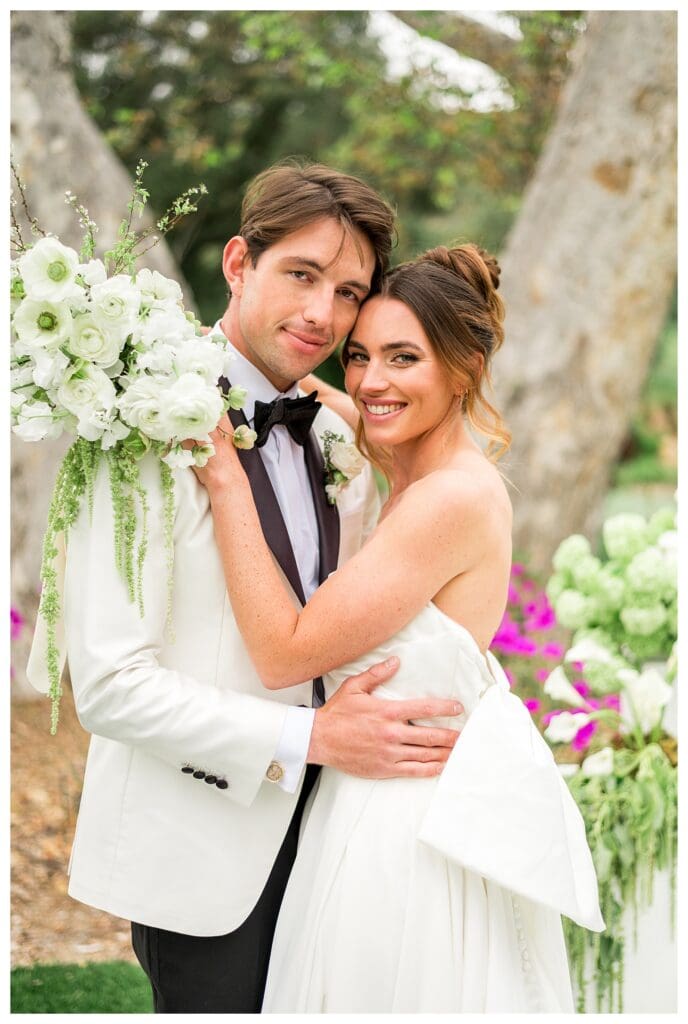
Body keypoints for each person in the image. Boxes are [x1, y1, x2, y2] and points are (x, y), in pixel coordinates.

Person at [39, 163, 466, 1013]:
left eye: (348, 292)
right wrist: (310, 741)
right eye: (301, 275)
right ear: (238, 263)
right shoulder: (139, 427)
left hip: (345, 840)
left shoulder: (343, 437)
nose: (322, 314)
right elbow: (112, 687)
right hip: (205, 849)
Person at [190, 243, 605, 1012]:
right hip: (371, 798)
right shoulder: (411, 465)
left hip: (403, 828)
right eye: (360, 356)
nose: (372, 381)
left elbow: (284, 652)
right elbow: (351, 404)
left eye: (404, 357)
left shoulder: (448, 500)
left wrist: (223, 475)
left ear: (466, 367)